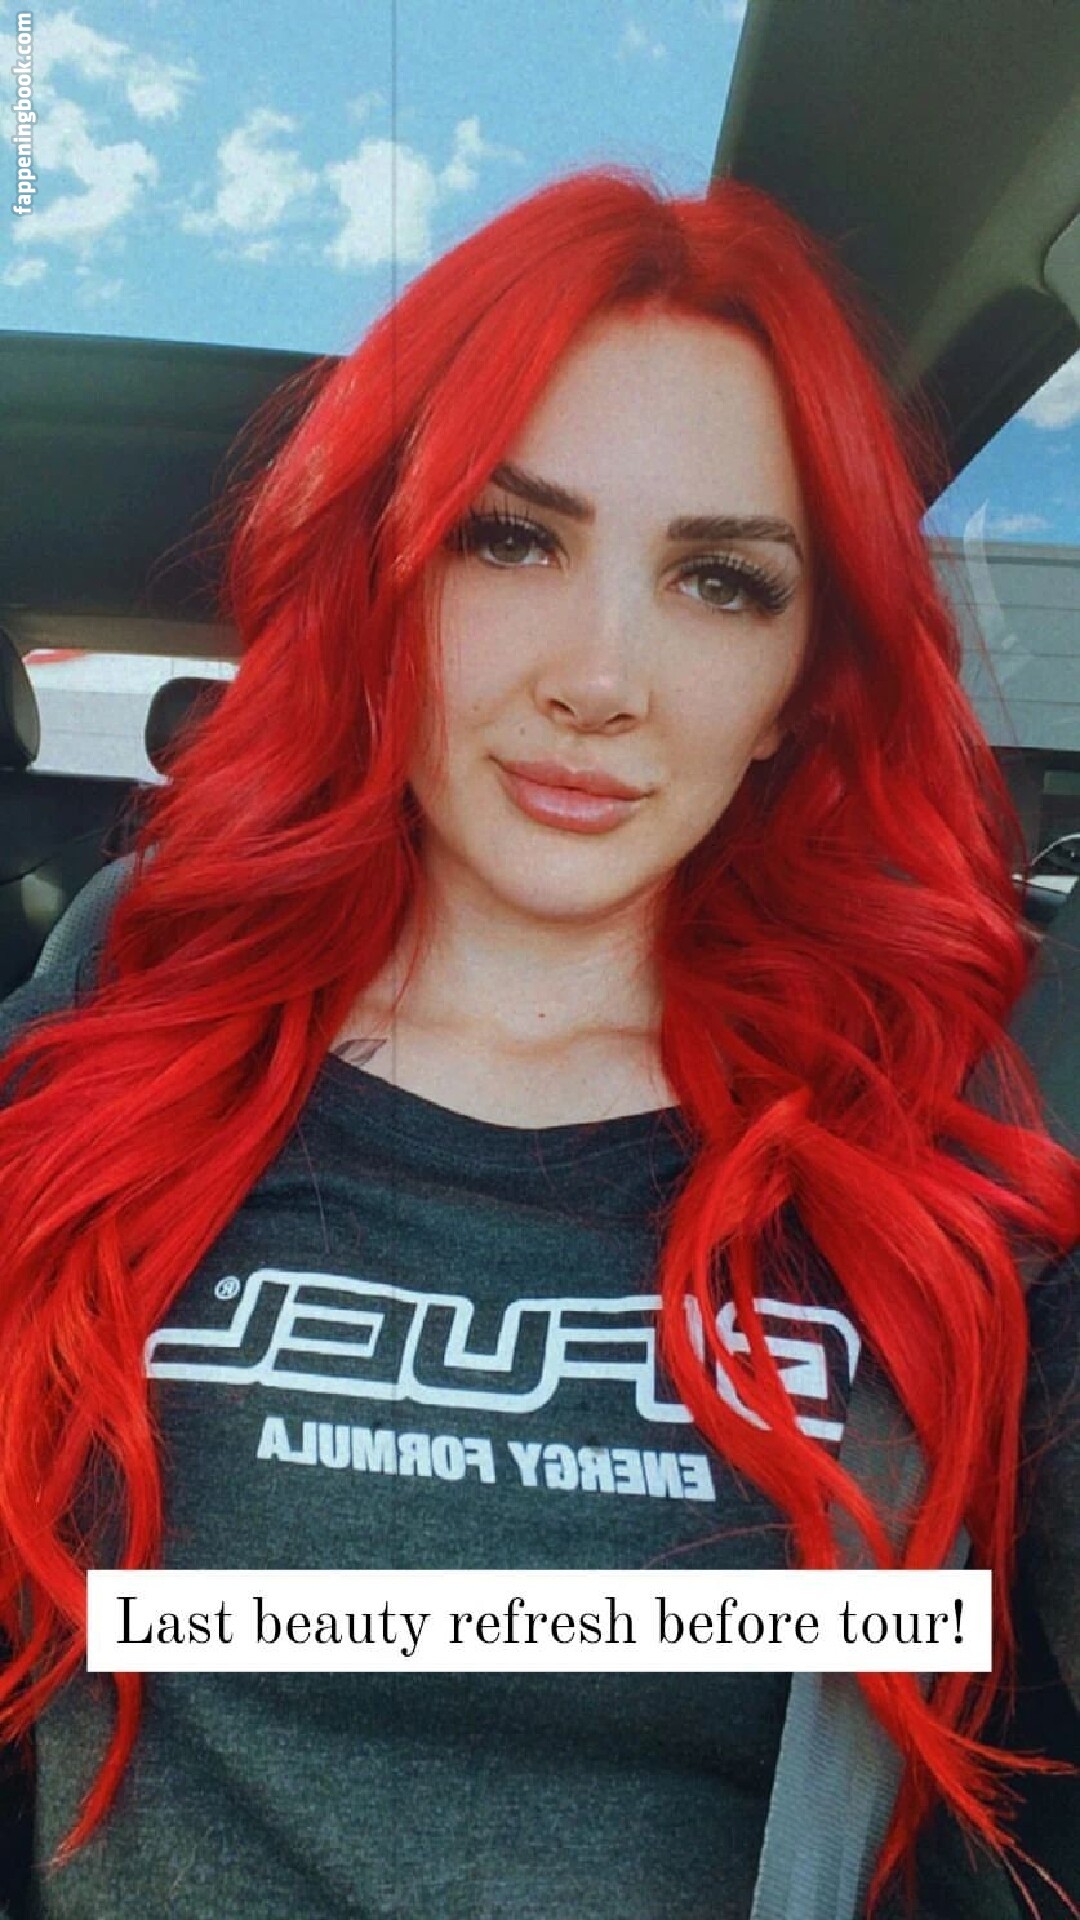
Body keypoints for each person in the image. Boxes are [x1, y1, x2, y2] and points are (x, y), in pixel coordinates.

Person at [0, 168, 1077, 1920]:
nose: (601, 676)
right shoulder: (124, 1026)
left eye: (721, 581)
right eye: (511, 539)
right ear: (386, 580)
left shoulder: (937, 1137)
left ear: (804, 678)